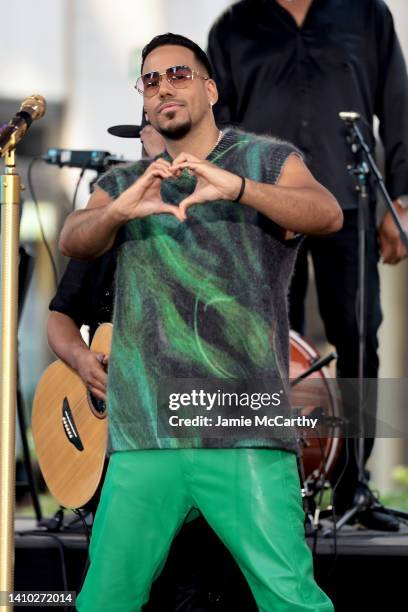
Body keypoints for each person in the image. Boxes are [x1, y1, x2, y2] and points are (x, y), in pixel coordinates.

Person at [59, 32, 342, 611]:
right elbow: (73, 239)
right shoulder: (123, 184)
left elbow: (327, 212)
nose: (164, 87)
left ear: (210, 88)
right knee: (104, 602)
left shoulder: (265, 160)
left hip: (242, 427)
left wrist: (238, 188)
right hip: (145, 436)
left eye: (179, 75)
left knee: (291, 600)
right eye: (151, 80)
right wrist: (117, 210)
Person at [207, 0, 408, 530]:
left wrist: (401, 202)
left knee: (361, 335)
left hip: (350, 203)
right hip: (263, 212)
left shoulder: (367, 15)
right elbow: (216, 125)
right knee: (270, 343)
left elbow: (399, 106)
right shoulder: (233, 27)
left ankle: (352, 490)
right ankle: (277, 485)